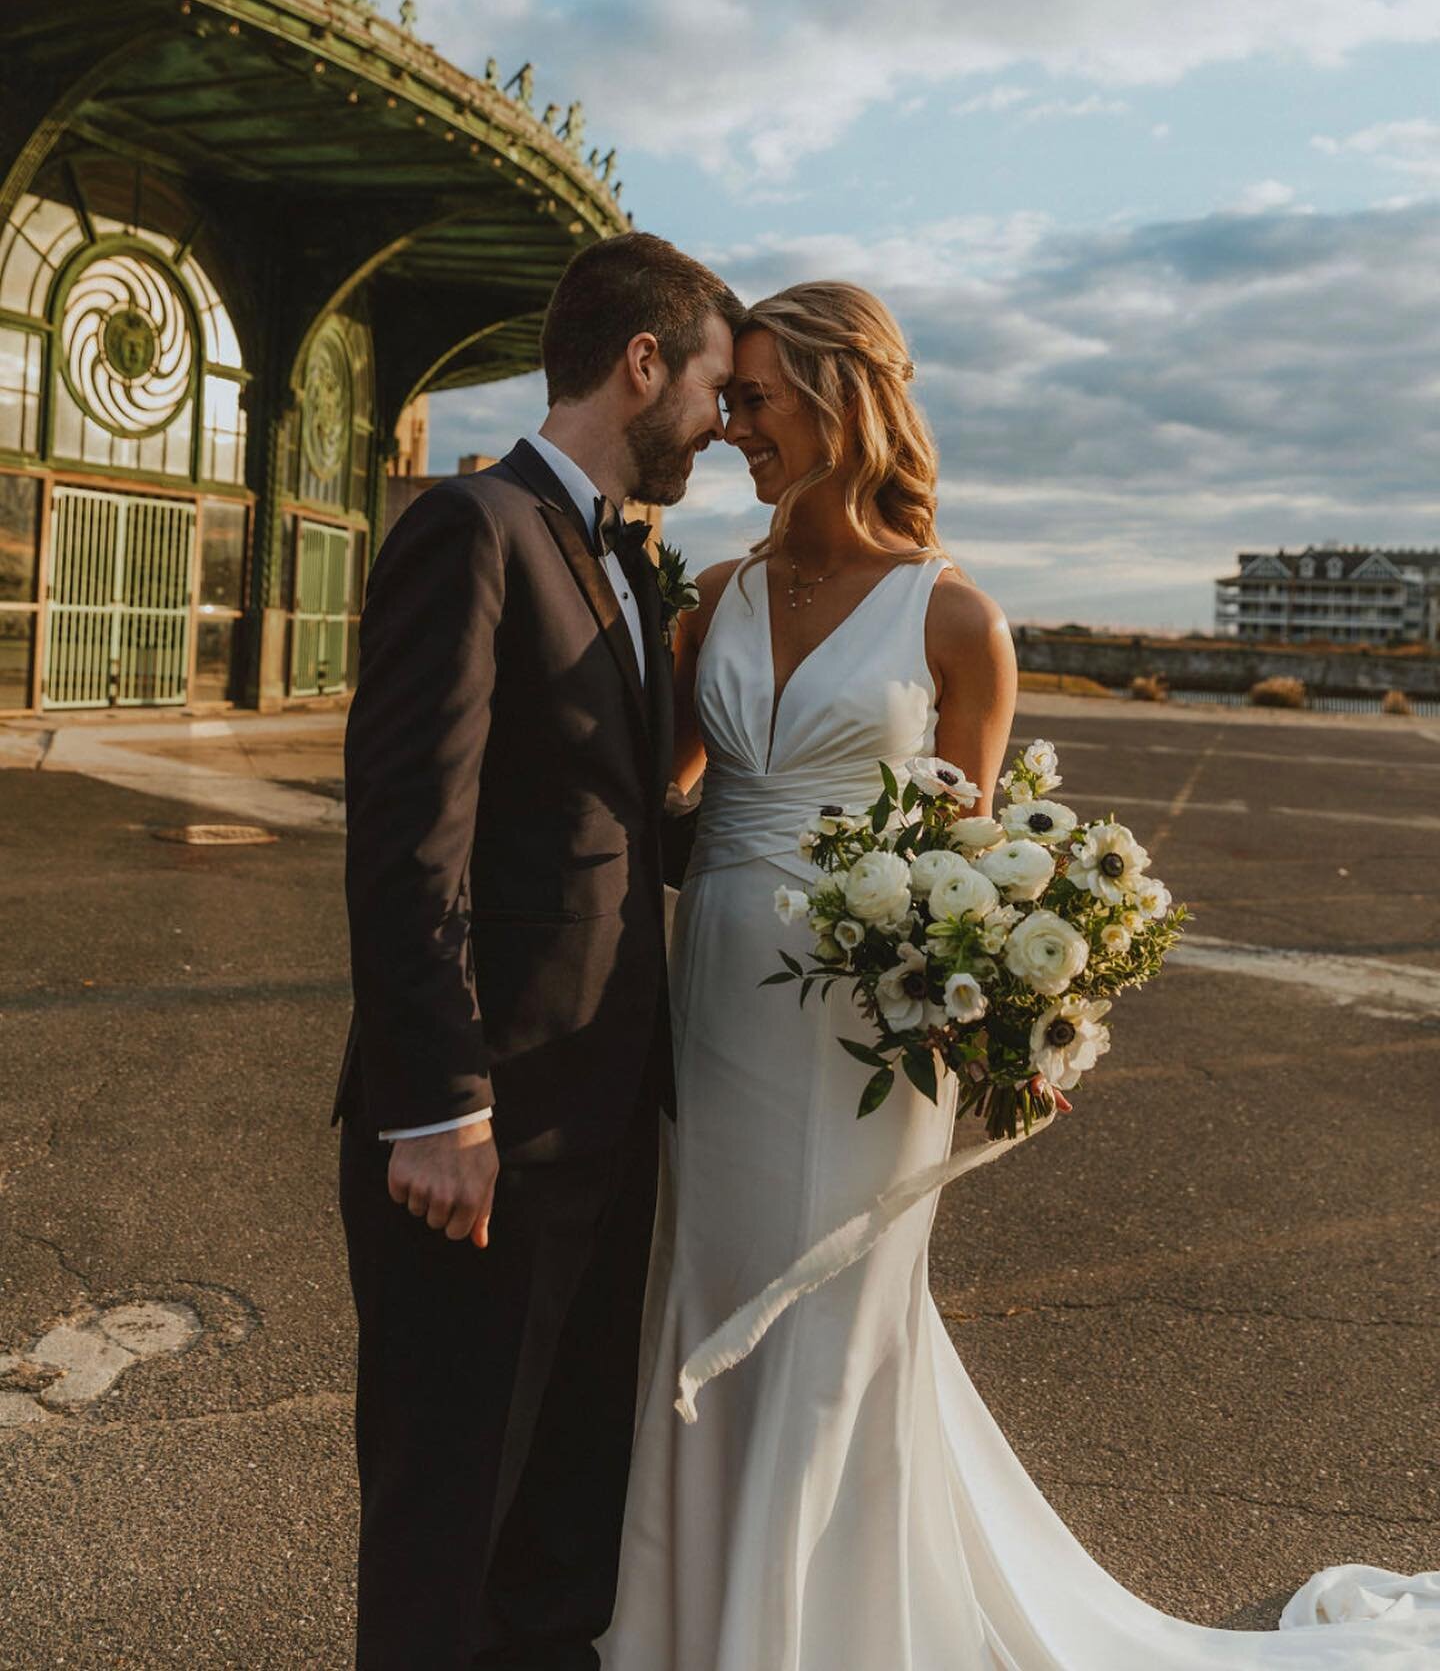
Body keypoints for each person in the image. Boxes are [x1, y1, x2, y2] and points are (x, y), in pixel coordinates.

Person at [600, 280, 1440, 1669]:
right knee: (709, 1286)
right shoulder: (716, 598)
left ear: (837, 399)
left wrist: (1021, 1033)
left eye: (755, 398)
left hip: (863, 1039)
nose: (731, 423)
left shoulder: (955, 621)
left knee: (833, 1326)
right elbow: (661, 794)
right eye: (731, 398)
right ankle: (708, 1622)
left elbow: (965, 880)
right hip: (718, 1014)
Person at [334, 231, 743, 1670]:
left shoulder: (626, 563)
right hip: (481, 1140)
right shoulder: (475, 529)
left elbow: (627, 827)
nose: (724, 424)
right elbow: (404, 840)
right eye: (713, 386)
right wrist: (439, 1106)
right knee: (453, 1527)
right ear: (643, 365)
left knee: (565, 1529)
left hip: (603, 1128)